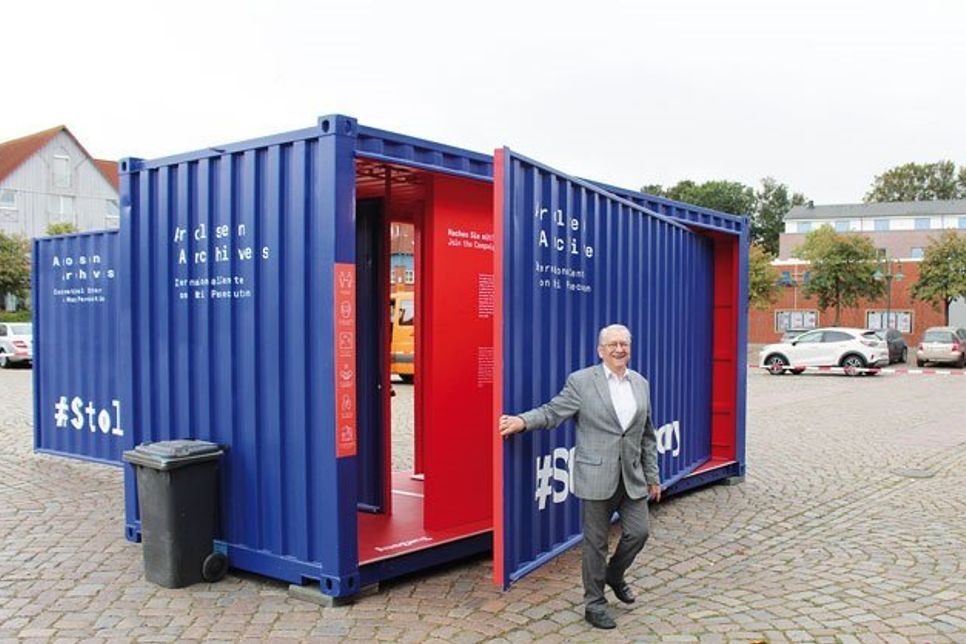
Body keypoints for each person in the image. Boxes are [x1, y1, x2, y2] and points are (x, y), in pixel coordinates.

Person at [498, 324, 661, 630]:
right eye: (612, 344)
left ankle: (615, 574)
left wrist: (653, 476)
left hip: (632, 477)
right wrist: (522, 421)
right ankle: (594, 604)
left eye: (623, 344)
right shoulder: (582, 382)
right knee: (595, 544)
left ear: (629, 348)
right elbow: (553, 412)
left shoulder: (640, 383)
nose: (618, 349)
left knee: (639, 533)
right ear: (601, 350)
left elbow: (647, 436)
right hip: (596, 476)